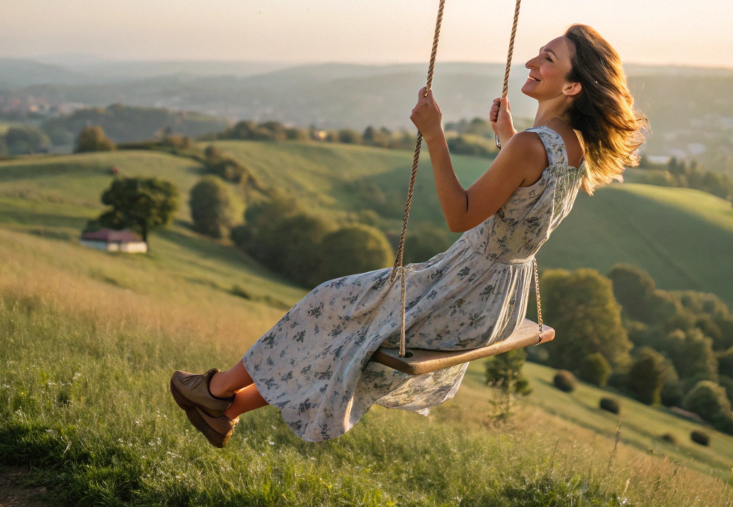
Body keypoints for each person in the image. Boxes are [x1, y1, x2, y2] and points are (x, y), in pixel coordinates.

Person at [171, 24, 647, 447]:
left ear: (572, 85)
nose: (530, 62)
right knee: (351, 339)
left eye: (547, 58)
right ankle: (225, 410)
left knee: (330, 302)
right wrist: (507, 136)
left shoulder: (529, 145)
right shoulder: (574, 146)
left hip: (464, 290)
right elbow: (527, 198)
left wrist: (434, 134)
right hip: (498, 300)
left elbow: (460, 215)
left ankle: (213, 390)